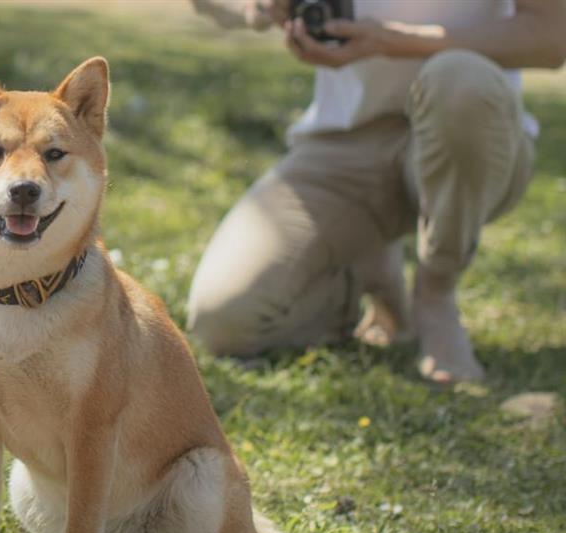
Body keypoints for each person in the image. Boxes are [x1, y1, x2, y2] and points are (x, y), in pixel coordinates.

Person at [187, 0, 566, 382]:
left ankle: (436, 292)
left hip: (474, 138)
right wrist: (262, 6)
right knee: (222, 323)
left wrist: (393, 41)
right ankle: (364, 270)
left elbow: (552, 38)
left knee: (459, 78)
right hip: (346, 143)